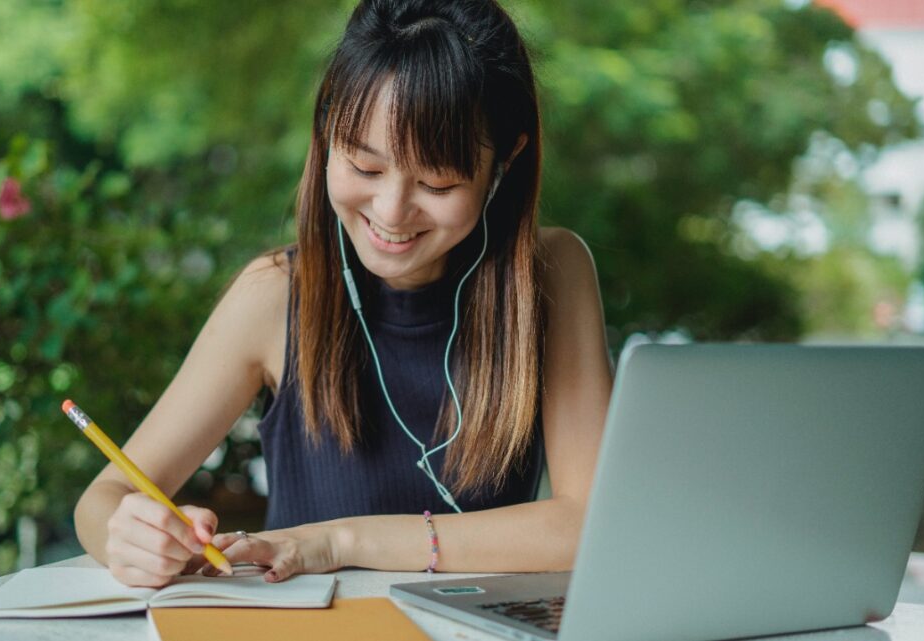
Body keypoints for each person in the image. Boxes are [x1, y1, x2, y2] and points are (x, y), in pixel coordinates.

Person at [74, 0, 612, 588]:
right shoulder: (275, 295)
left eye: (437, 182)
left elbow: (589, 525)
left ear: (505, 161)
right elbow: (105, 497)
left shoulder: (552, 273)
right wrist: (129, 537)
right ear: (328, 130)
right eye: (365, 166)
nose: (391, 212)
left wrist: (338, 541)